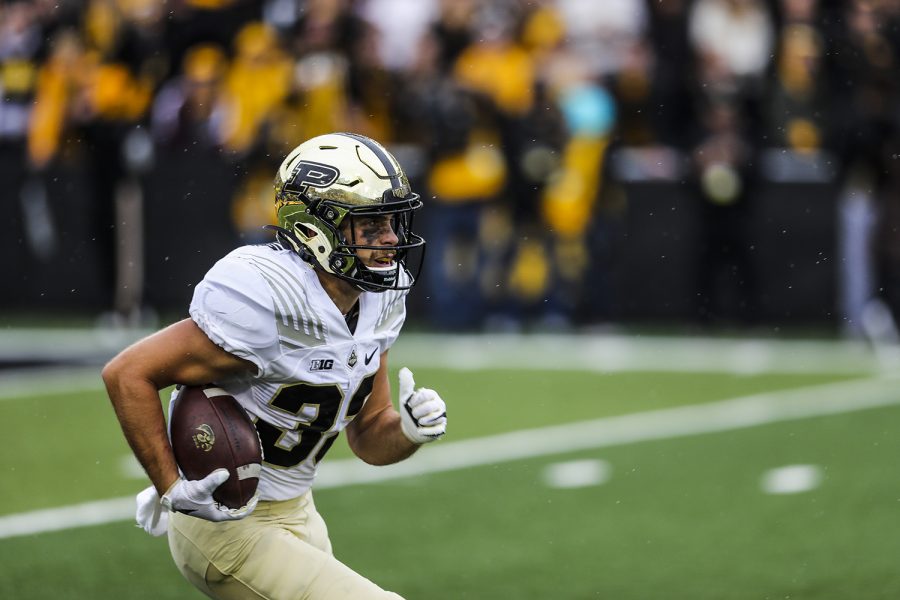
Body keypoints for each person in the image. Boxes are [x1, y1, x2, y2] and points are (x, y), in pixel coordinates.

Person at [102, 132, 447, 599]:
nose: (391, 240)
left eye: (394, 222)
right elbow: (127, 373)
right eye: (371, 226)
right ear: (316, 228)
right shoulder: (268, 296)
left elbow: (368, 438)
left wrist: (407, 429)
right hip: (227, 525)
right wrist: (170, 487)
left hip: (299, 510)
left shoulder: (379, 302)